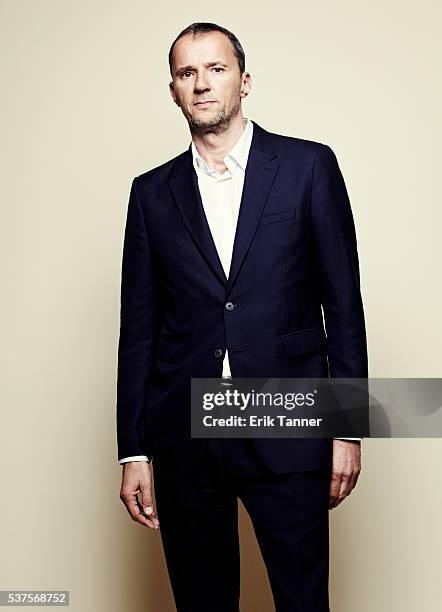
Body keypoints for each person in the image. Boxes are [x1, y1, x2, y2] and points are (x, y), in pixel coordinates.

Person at [116, 22, 368, 612]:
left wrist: (349, 427)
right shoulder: (151, 194)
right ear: (174, 91)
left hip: (287, 418)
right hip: (185, 434)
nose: (202, 83)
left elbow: (345, 306)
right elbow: (139, 331)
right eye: (187, 73)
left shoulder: (309, 168)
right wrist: (133, 450)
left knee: (303, 600)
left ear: (244, 80)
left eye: (216, 68)